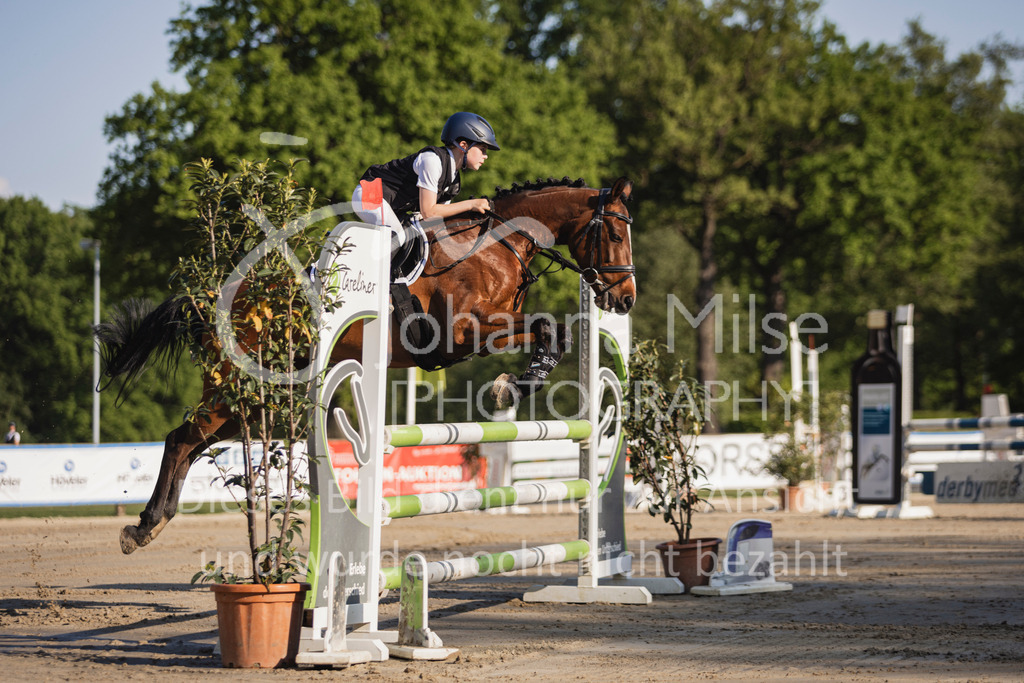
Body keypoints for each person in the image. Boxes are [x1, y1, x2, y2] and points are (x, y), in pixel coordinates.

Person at [351, 111, 500, 284]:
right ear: (463, 145)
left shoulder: (454, 182)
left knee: (416, 240)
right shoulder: (433, 160)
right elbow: (429, 211)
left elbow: (434, 221)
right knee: (397, 236)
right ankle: (366, 283)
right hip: (370, 192)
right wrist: (471, 204)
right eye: (482, 149)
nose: (485, 156)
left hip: (392, 206)